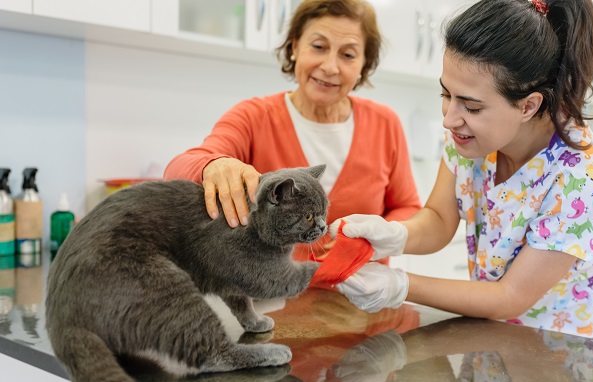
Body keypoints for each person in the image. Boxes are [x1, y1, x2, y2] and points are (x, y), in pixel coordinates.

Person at [333, 0, 593, 345]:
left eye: (472, 105)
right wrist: (396, 234)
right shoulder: (469, 140)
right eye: (445, 93)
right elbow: (438, 218)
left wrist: (401, 284)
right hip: (500, 339)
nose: (449, 118)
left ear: (528, 105)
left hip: (574, 353)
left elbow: (510, 296)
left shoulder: (584, 176)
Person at [164, 0, 421, 262]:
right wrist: (213, 164)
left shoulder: (385, 123)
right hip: (271, 297)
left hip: (365, 294)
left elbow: (407, 207)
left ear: (363, 63)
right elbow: (178, 168)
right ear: (296, 46)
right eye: (318, 47)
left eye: (348, 55)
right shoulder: (254, 116)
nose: (330, 67)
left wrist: (375, 240)